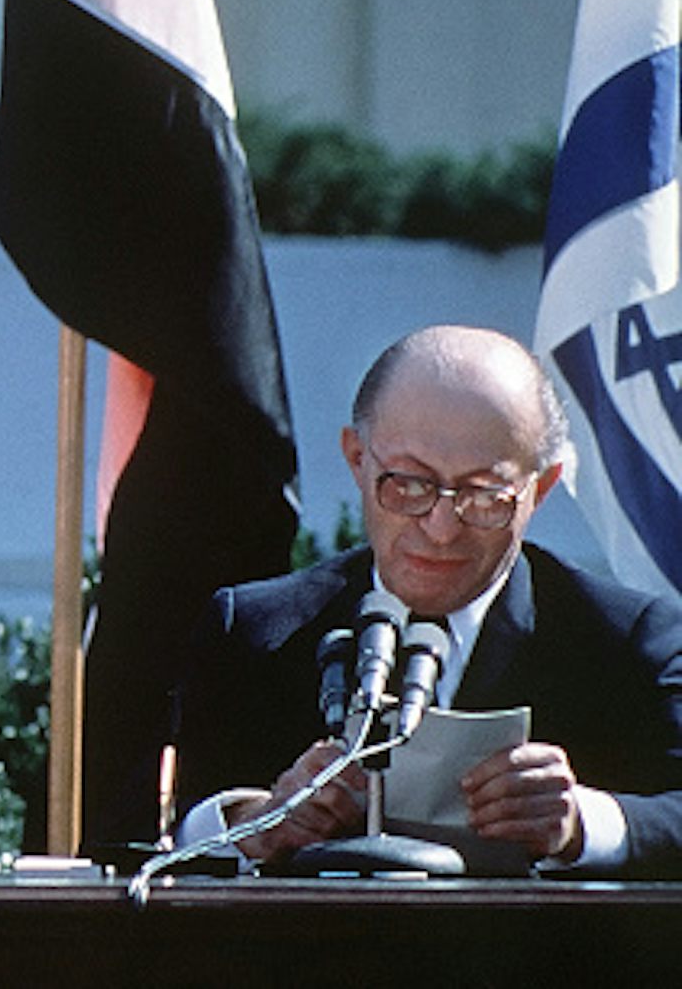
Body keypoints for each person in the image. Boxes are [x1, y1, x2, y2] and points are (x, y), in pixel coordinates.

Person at [169, 324, 682, 875]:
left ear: (541, 487)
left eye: (485, 496)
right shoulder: (255, 631)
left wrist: (581, 824)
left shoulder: (630, 644)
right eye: (409, 485)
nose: (441, 528)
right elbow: (147, 832)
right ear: (356, 460)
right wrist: (256, 822)